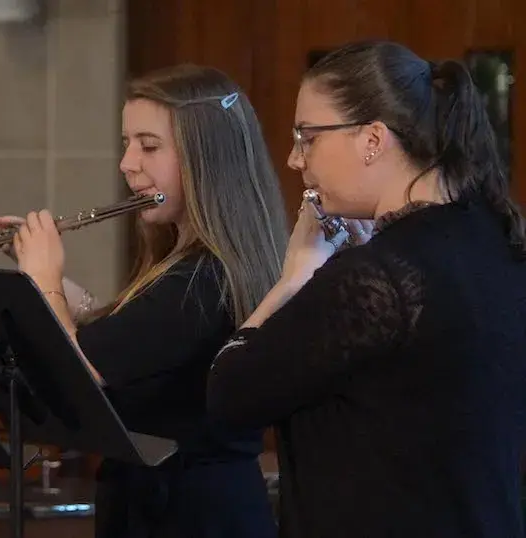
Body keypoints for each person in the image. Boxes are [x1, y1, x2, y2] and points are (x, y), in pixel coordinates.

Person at [207, 39, 526, 538]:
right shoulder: (496, 238)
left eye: (307, 136)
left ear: (372, 139)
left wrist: (296, 276)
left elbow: (228, 393)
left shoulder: (376, 278)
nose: (294, 159)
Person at [0, 64, 289, 537]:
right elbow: (121, 335)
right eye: (127, 144)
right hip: (153, 503)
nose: (128, 163)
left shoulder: (209, 278)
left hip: (195, 516)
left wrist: (41, 277)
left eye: (148, 146)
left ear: (203, 157)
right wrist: (54, 281)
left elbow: (79, 371)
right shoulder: (182, 263)